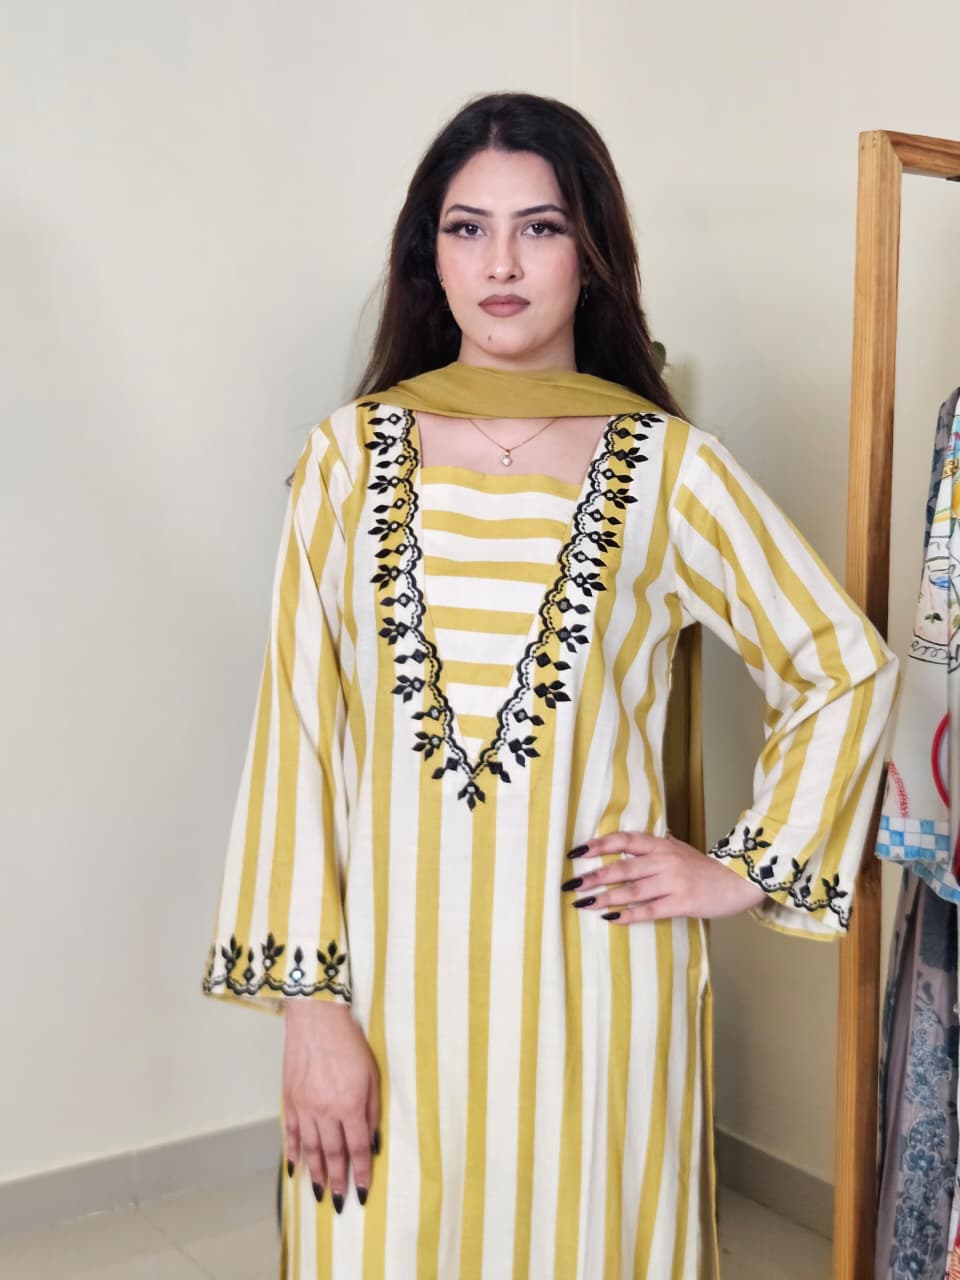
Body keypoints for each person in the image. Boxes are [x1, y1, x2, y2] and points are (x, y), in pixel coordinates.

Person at [202, 91, 899, 1279]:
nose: (502, 264)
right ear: (428, 256)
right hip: (386, 999)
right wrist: (311, 1010)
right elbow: (297, 743)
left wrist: (741, 868)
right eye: (467, 228)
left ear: (594, 254)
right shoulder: (346, 460)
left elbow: (841, 663)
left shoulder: (668, 466)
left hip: (599, 993)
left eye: (541, 227)